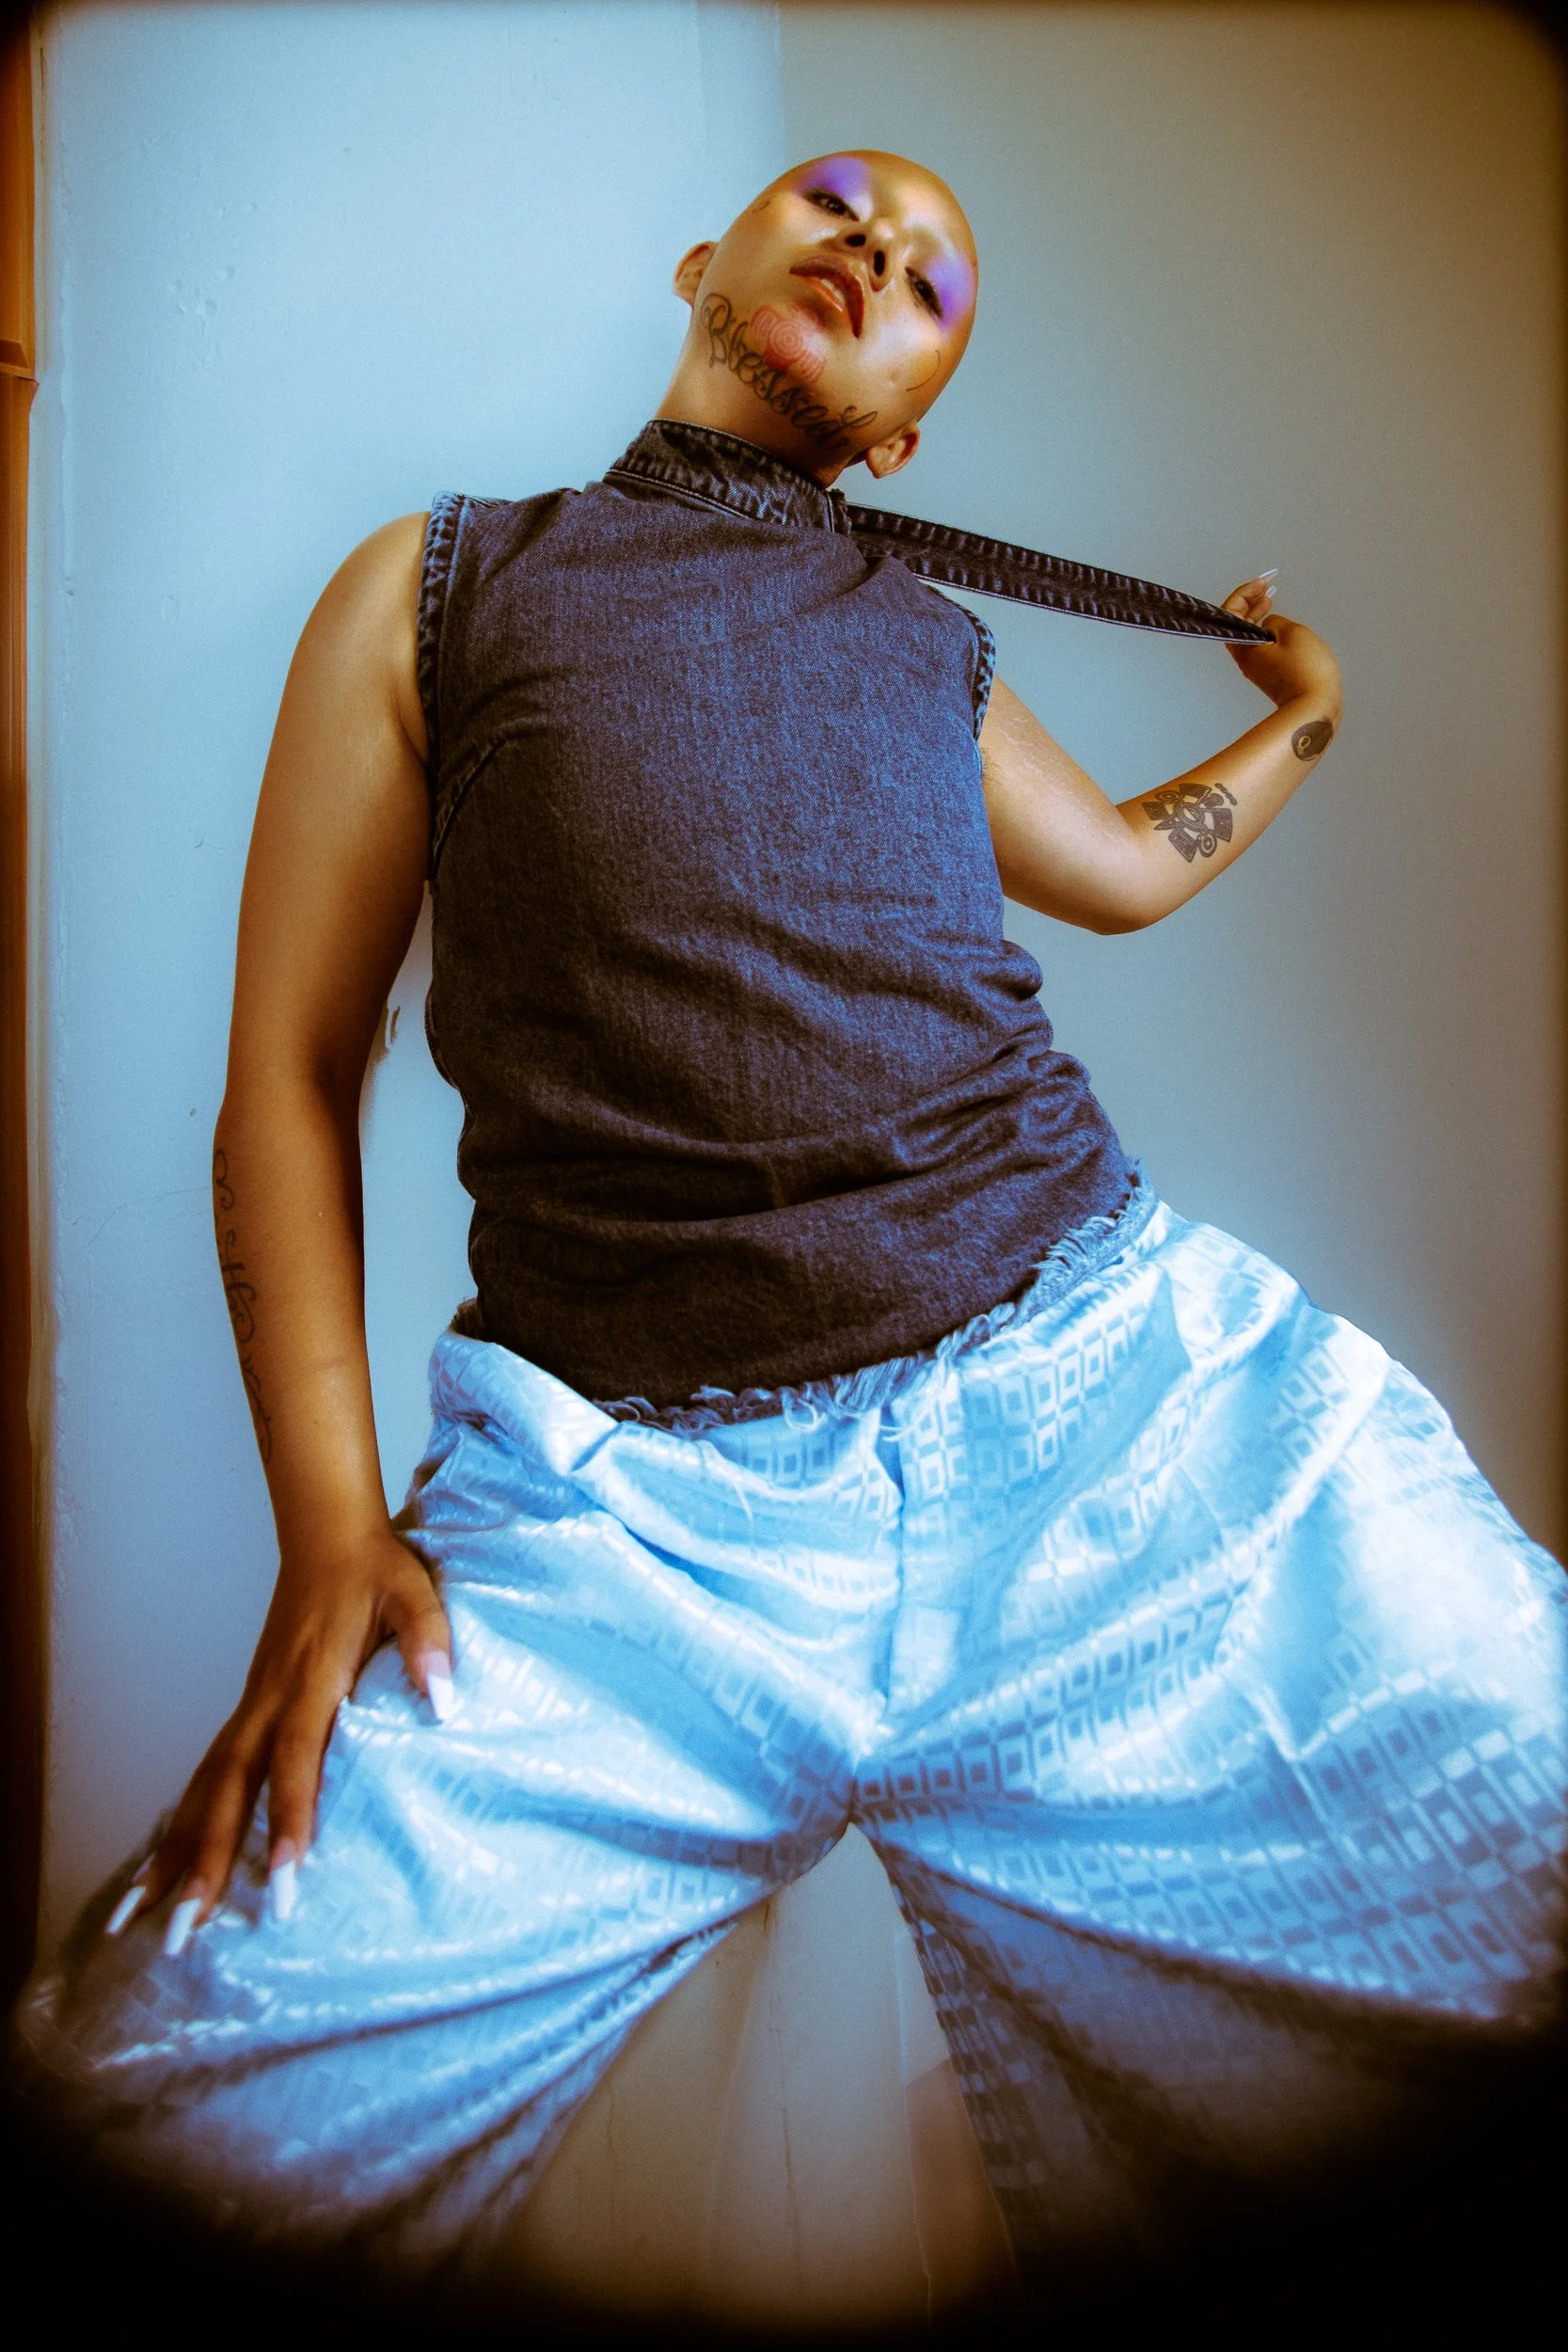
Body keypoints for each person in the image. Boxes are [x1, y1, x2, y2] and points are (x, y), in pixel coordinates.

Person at [13, 151, 1565, 2291]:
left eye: (933, 272)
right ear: (705, 258)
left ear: (907, 427)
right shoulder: (443, 579)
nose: (875, 247)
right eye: (838, 199)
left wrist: (1294, 716)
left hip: (1113, 1421)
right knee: (166, 2065)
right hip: (611, 1525)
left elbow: (1116, 860)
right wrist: (327, 1524)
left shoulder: (924, 632)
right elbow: (289, 1065)